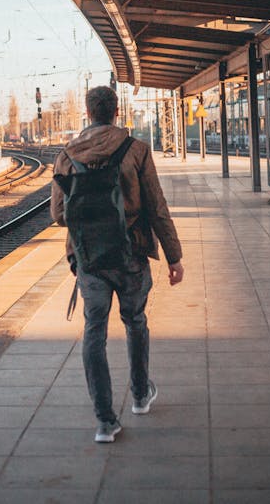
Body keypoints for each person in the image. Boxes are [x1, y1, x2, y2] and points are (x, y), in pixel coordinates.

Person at [51, 85, 184, 443]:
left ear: (88, 112)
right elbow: (156, 207)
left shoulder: (67, 155)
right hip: (131, 256)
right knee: (135, 321)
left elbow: (58, 214)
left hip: (89, 259)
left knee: (94, 330)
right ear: (116, 111)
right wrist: (174, 256)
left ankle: (105, 422)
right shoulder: (136, 150)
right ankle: (140, 395)